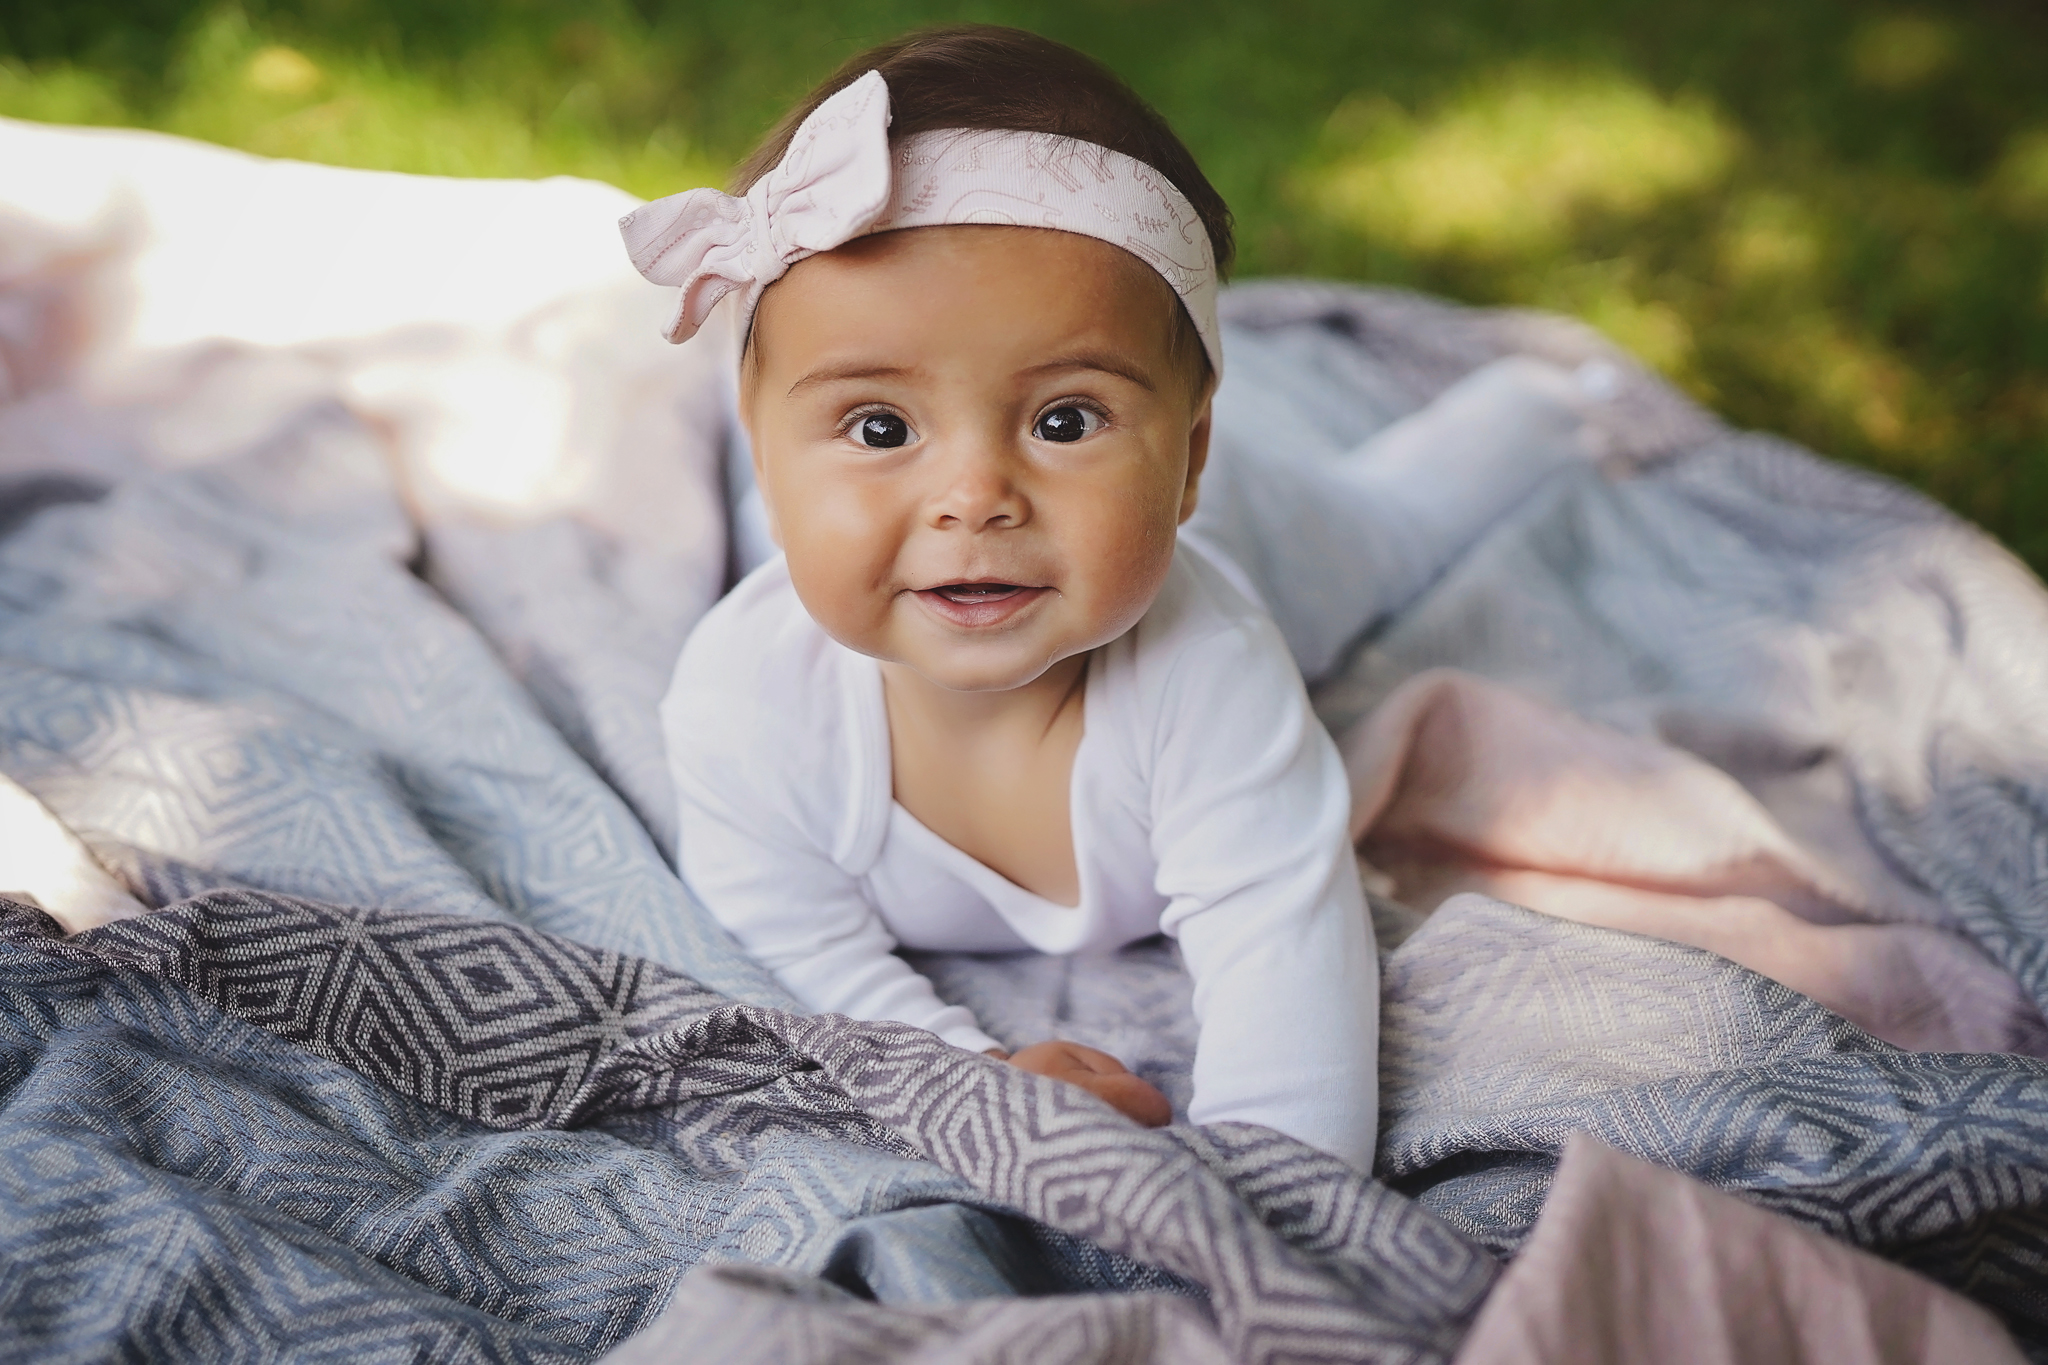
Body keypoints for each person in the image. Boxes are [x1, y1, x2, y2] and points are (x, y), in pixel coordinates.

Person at [626, 24, 1601, 1170]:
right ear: (758, 451)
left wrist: (1274, 1213)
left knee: (1393, 529)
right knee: (838, 542)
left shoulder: (1210, 673)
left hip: (1273, 538)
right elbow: (785, 935)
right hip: (837, 548)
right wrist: (961, 1070)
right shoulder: (747, 700)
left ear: (1188, 458)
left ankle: (1549, 402)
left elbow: (1284, 972)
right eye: (880, 426)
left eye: (1064, 420)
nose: (975, 497)